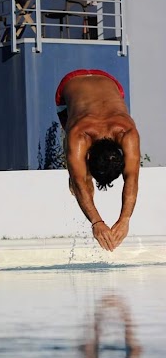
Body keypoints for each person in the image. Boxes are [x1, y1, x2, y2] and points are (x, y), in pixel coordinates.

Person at [55, 69, 141, 252]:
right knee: (79, 177)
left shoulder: (128, 132)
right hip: (68, 86)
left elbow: (132, 179)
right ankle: (78, 168)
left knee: (77, 168)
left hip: (111, 82)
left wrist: (125, 219)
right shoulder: (79, 134)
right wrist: (97, 221)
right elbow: (79, 184)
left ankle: (77, 167)